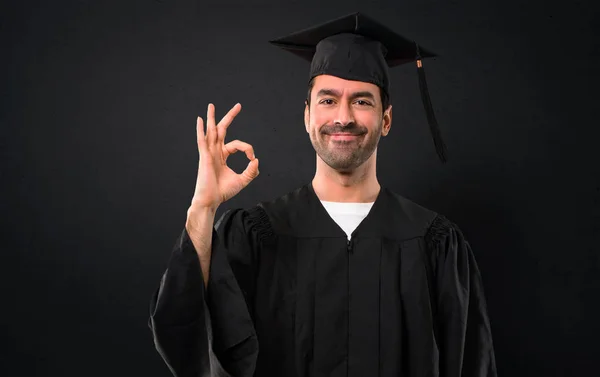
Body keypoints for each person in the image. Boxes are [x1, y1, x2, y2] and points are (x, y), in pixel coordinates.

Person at [149, 12, 497, 377]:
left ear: (387, 119)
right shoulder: (254, 237)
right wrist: (203, 209)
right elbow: (183, 335)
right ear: (307, 116)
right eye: (328, 100)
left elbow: (472, 364)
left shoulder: (435, 244)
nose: (343, 117)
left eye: (362, 101)